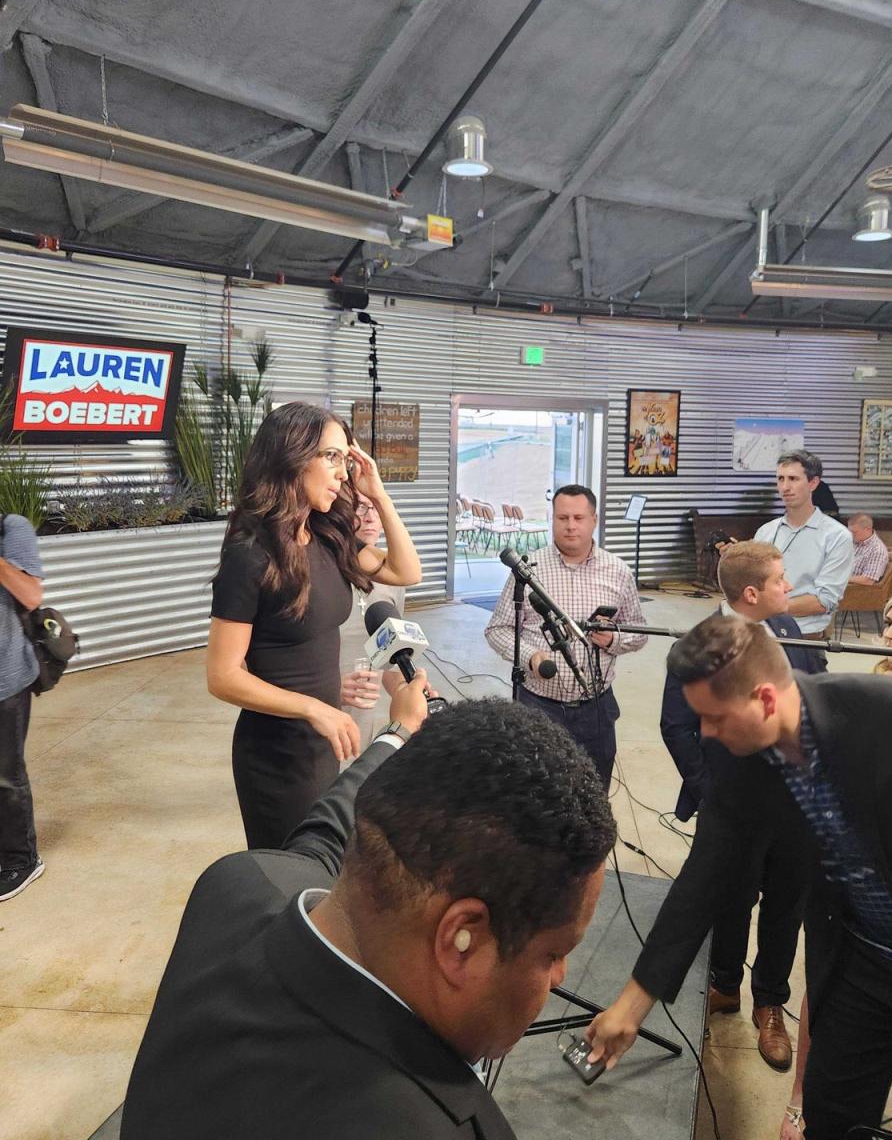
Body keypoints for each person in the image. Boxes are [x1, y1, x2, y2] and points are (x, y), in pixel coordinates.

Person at [119, 694, 617, 1140]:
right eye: (554, 953)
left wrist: (396, 734)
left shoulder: (236, 884)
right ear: (461, 938)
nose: (559, 978)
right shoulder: (435, 1124)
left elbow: (327, 828)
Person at [587, 614, 892, 1140]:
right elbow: (709, 869)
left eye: (715, 718)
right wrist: (633, 1003)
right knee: (833, 1121)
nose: (707, 734)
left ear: (764, 699)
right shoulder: (740, 749)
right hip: (864, 963)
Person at [779, 585, 892, 1140]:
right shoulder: (865, 695)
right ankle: (800, 1100)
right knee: (825, 997)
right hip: (856, 912)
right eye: (888, 622)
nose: (888, 634)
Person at [207, 401, 421, 849]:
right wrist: (313, 707)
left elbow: (406, 572)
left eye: (346, 458)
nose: (344, 473)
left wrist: (379, 495)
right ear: (292, 456)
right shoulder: (250, 554)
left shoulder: (328, 535)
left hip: (324, 740)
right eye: (332, 457)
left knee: (325, 866)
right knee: (294, 873)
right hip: (277, 753)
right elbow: (222, 677)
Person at [660, 541, 822, 1072]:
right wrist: (715, 796)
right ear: (751, 593)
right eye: (781, 580)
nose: (789, 588)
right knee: (730, 898)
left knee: (786, 905)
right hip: (733, 805)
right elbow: (678, 727)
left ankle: (769, 1003)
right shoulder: (700, 645)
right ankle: (723, 985)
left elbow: (814, 705)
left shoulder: (792, 631)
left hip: (796, 804)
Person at [484, 484, 649, 788]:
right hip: (538, 705)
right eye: (562, 518)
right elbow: (498, 629)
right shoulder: (527, 569)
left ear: (594, 520)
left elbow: (638, 632)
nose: (570, 526)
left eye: (578, 518)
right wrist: (529, 656)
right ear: (552, 519)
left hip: (596, 707)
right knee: (536, 791)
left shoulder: (618, 571)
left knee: (593, 792)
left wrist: (613, 640)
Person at [754, 450, 853, 639]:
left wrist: (768, 608)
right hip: (762, 633)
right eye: (780, 479)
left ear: (813, 483)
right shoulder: (765, 532)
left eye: (793, 479)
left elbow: (822, 601)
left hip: (805, 637)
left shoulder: (837, 537)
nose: (785, 487)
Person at [338, 498, 406, 755]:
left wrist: (406, 687)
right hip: (308, 724)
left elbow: (386, 660)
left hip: (358, 730)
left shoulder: (394, 579)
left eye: (376, 508)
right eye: (360, 508)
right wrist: (330, 688)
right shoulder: (318, 573)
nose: (369, 517)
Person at [0, 513, 45, 901]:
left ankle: (21, 859)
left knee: (5, 776)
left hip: (5, 678)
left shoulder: (11, 527)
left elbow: (31, 596)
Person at [847, 511, 891, 586]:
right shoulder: (852, 541)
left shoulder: (877, 550)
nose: (850, 535)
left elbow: (868, 580)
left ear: (867, 529)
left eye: (854, 532)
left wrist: (840, 579)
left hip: (853, 590)